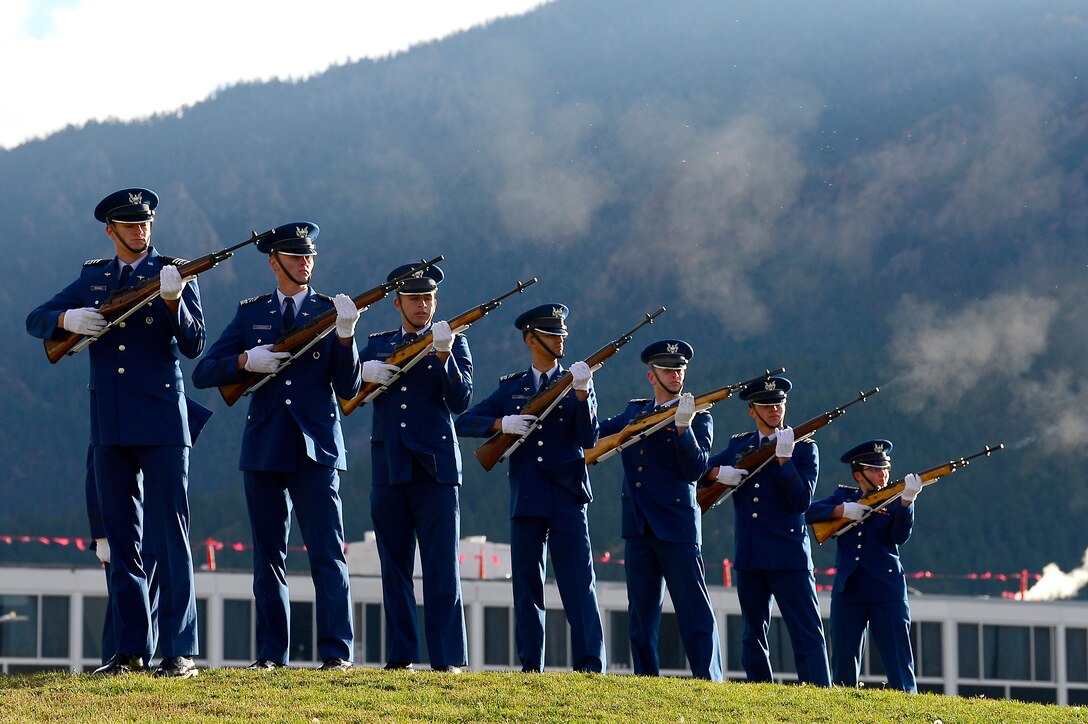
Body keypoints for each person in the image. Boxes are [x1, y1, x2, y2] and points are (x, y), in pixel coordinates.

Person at [26, 187, 205, 677]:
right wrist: (67, 318)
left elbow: (194, 344)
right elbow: (34, 319)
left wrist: (174, 303)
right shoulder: (95, 278)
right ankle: (130, 650)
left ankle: (179, 650)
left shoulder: (174, 272)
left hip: (164, 420)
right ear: (111, 230)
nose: (139, 230)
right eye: (129, 224)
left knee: (171, 536)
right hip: (111, 424)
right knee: (123, 542)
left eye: (145, 222)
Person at [191, 221, 361, 672]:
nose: (305, 262)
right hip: (265, 447)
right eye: (295, 255)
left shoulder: (330, 312)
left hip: (316, 449)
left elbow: (349, 387)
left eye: (309, 256)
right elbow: (204, 371)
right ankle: (270, 655)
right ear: (274, 261)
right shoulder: (252, 314)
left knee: (328, 555)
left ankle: (337, 653)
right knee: (269, 558)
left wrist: (346, 337)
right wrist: (246, 360)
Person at [455, 303, 605, 673]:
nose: (561, 339)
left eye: (562, 334)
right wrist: (502, 423)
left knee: (578, 581)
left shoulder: (577, 384)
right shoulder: (513, 388)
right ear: (531, 340)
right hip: (528, 494)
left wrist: (584, 396)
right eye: (553, 334)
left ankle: (590, 664)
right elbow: (465, 420)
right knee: (526, 583)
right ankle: (530, 665)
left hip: (568, 493)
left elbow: (589, 438)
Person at [360, 263, 472, 673]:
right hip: (389, 466)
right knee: (395, 568)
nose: (422, 306)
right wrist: (362, 372)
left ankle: (448, 659)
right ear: (398, 303)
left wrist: (444, 356)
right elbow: (348, 388)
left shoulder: (453, 344)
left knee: (442, 568)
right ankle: (402, 655)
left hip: (436, 469)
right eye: (414, 299)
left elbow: (460, 401)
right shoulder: (376, 345)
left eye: (428, 299)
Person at [597, 340, 722, 681]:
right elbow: (593, 434)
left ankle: (708, 677)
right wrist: (581, 395)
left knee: (694, 609)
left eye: (680, 369)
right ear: (652, 376)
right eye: (668, 369)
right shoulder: (633, 412)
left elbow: (696, 469)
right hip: (638, 524)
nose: (676, 375)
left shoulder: (699, 416)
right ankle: (645, 679)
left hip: (676, 524)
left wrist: (683, 429)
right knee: (641, 614)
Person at [706, 376, 831, 685]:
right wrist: (716, 472)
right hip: (750, 554)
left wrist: (785, 462)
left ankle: (819, 691)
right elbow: (699, 469)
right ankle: (760, 687)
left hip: (788, 554)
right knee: (752, 632)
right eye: (766, 404)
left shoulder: (804, 450)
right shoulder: (740, 446)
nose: (775, 409)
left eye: (779, 403)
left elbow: (801, 502)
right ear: (752, 411)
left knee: (805, 631)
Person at [805, 440, 921, 692]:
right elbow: (808, 512)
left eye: (885, 469)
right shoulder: (844, 498)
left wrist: (907, 504)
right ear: (859, 474)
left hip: (885, 589)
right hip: (849, 588)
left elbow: (899, 536)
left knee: (898, 662)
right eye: (876, 470)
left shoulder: (895, 500)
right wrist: (841, 510)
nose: (883, 474)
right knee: (844, 664)